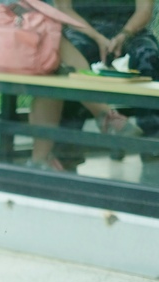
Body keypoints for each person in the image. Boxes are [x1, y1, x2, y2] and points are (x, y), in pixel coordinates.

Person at [52, 0, 159, 168]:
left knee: (148, 55)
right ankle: (67, 146)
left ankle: (153, 138)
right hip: (83, 29)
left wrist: (124, 34)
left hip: (130, 29)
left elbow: (145, 10)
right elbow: (63, 9)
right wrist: (96, 36)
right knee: (71, 63)